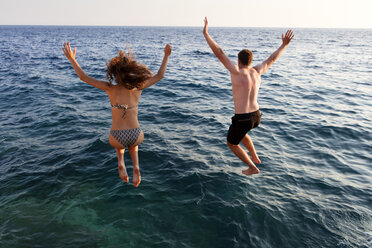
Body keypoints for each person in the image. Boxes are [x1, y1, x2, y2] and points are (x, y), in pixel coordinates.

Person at [63, 42, 172, 187]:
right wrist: (166, 55)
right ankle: (136, 167)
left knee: (120, 147)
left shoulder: (109, 88)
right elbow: (160, 75)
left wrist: (72, 59)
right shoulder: (137, 87)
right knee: (134, 146)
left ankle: (121, 162)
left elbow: (83, 77)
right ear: (130, 71)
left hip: (117, 136)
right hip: (136, 134)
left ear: (114, 74)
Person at [203, 17, 294, 175]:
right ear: (250, 61)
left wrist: (206, 33)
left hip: (243, 117)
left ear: (239, 61)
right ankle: (254, 155)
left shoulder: (237, 71)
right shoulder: (257, 71)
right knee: (242, 133)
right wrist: (284, 45)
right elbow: (272, 58)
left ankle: (252, 166)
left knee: (231, 143)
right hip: (256, 116)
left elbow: (219, 53)